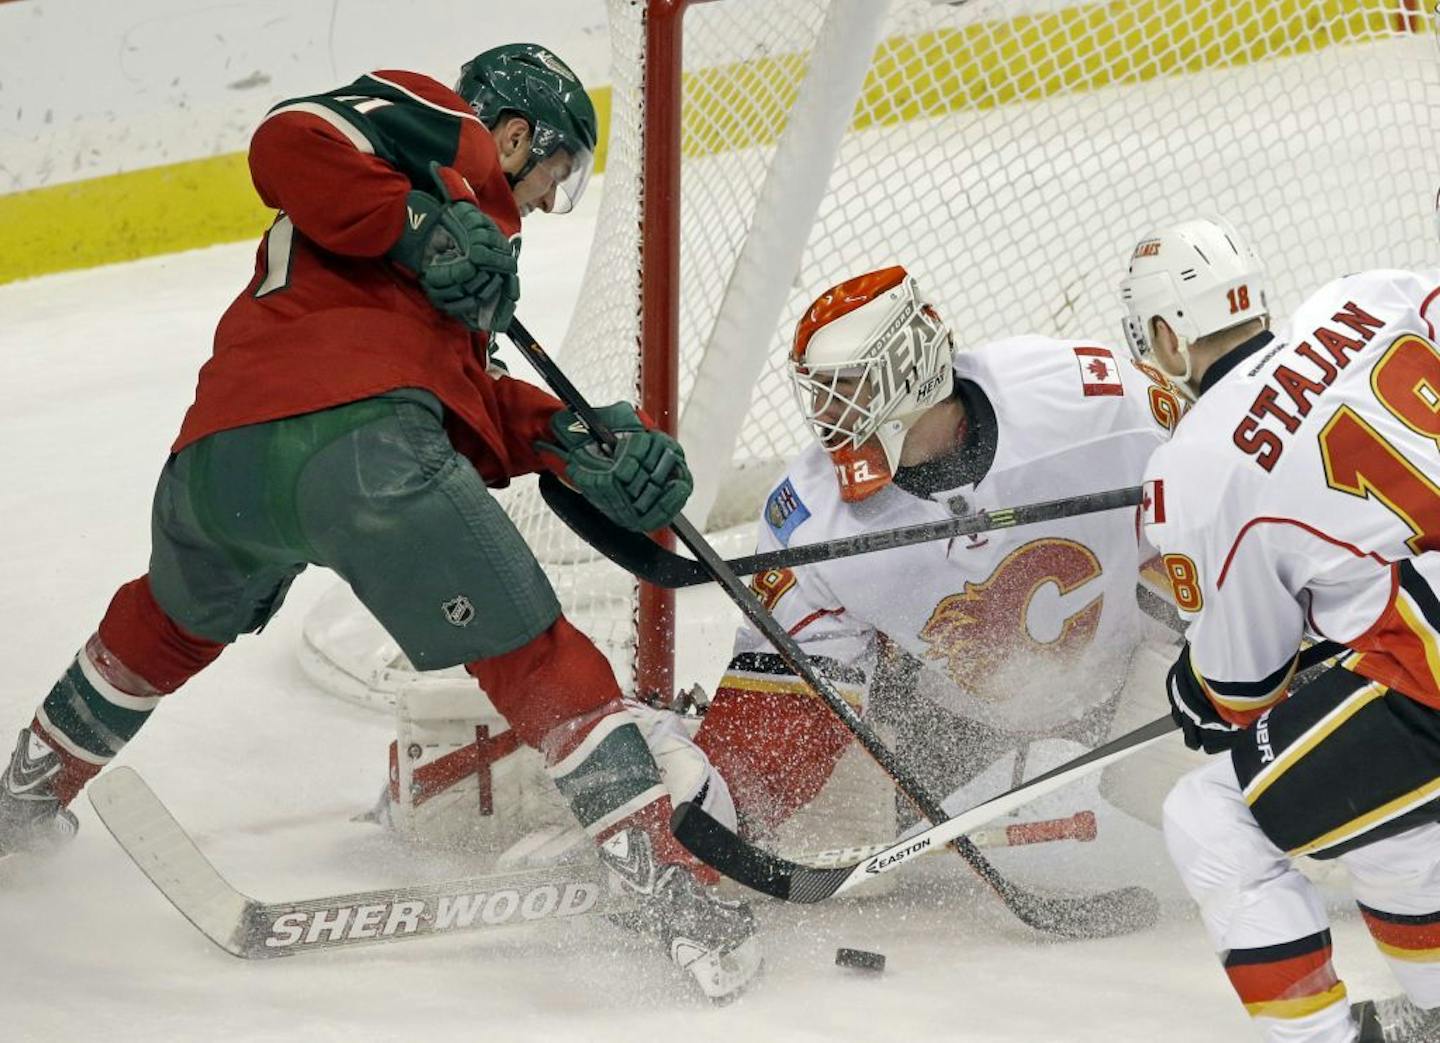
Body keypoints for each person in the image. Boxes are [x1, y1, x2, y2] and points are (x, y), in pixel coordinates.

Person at [0, 43, 760, 1001]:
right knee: (533, 656)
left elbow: (460, 402)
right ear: (518, 134)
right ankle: (671, 894)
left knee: (165, 619)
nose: (540, 206)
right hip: (363, 450)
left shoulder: (455, 264)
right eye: (554, 177)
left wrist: (572, 438)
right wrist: (416, 224)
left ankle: (20, 807)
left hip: (216, 466)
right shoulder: (445, 130)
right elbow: (286, 138)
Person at [688, 264, 1189, 868]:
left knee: (1248, 804)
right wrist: (707, 822)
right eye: (819, 393)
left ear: (912, 370)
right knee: (821, 849)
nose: (828, 415)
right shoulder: (808, 519)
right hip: (945, 711)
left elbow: (1221, 506)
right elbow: (783, 709)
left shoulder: (1087, 398)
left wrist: (1231, 651)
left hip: (1129, 668)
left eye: (846, 387)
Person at [1127, 217, 1440, 1042]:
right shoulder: (1369, 295)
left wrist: (1191, 693)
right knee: (1372, 793)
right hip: (1416, 661)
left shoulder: (1196, 464)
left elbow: (1241, 688)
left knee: (1207, 812)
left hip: (1431, 674)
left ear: (1165, 335)